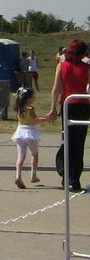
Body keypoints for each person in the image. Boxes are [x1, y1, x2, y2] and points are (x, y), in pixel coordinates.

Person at [47, 39, 90, 191]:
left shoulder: (62, 66)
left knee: (69, 141)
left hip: (68, 104)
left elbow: (56, 88)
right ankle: (74, 178)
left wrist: (53, 108)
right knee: (78, 143)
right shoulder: (86, 68)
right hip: (82, 105)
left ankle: (67, 173)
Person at [10, 87, 47, 189]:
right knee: (34, 154)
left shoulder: (19, 108)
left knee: (21, 155)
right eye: (33, 97)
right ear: (28, 98)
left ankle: (18, 175)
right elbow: (35, 120)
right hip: (30, 132)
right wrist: (47, 119)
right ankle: (33, 175)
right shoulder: (30, 109)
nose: (34, 98)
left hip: (20, 132)